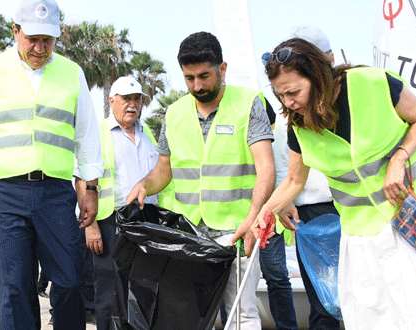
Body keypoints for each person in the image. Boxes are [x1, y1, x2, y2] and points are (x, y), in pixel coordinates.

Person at [245, 37, 416, 329]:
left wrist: (399, 159)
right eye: (281, 95)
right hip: (362, 233)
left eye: (294, 92)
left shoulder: (370, 82)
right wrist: (264, 213)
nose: (289, 102)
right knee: (371, 315)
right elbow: (294, 180)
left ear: (317, 76)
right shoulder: (298, 125)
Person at [0, 0, 103, 328]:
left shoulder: (72, 73)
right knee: (15, 290)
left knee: (70, 281)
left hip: (57, 194)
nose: (40, 47)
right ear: (15, 32)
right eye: (32, 38)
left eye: (48, 40)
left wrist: (90, 189)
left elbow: (87, 138)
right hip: (6, 195)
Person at [126, 32, 297, 330]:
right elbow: (163, 171)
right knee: (185, 316)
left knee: (241, 315)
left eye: (204, 76)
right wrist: (144, 185)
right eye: (189, 78)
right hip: (188, 234)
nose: (197, 85)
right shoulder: (175, 112)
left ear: (223, 68)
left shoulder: (249, 103)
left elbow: (266, 170)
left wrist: (253, 219)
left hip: (236, 230)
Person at [273, 26, 341, 330]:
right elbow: (287, 172)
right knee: (322, 300)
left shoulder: (352, 97)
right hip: (312, 214)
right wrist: (280, 203)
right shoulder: (292, 112)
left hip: (355, 210)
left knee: (365, 295)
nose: (289, 99)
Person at [80, 76, 160, 330]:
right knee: (108, 293)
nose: (132, 105)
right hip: (109, 222)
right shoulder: (98, 132)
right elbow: (82, 180)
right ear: (112, 100)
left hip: (145, 222)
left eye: (137, 100)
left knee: (141, 291)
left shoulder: (147, 134)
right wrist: (90, 226)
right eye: (126, 99)